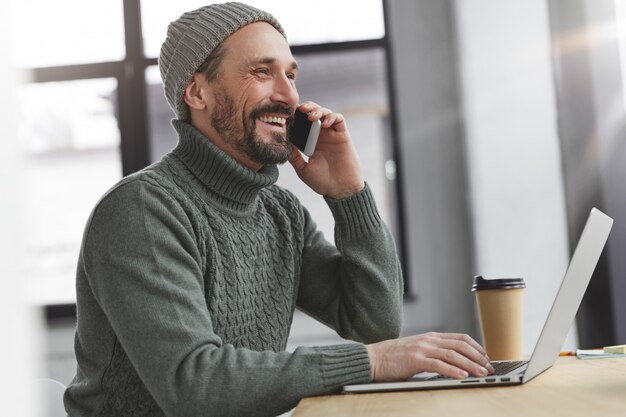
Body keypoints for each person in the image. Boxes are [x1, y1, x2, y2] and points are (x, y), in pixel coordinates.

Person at [64, 2, 494, 416]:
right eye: (261, 72)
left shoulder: (279, 212)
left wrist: (349, 195)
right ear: (197, 92)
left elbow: (375, 325)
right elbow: (195, 386)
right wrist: (373, 363)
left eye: (291, 75)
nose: (288, 96)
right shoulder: (143, 210)